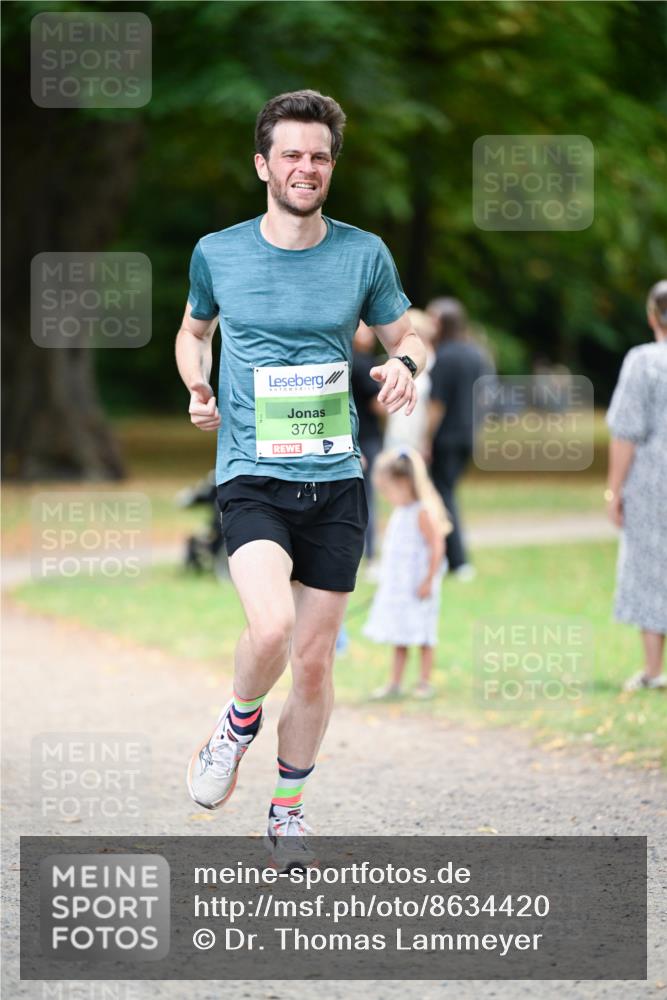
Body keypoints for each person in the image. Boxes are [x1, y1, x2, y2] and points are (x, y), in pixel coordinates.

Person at [175, 89, 426, 868]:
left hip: (335, 479)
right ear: (263, 164)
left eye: (318, 155)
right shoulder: (218, 251)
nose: (305, 167)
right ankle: (237, 721)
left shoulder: (362, 252)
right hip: (250, 472)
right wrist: (197, 385)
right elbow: (193, 332)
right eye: (290, 153)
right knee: (273, 630)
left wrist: (404, 362)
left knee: (315, 660)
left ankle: (287, 812)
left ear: (331, 166)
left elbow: (405, 329)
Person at [606, 279, 667, 692]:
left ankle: (652, 669)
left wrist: (614, 489)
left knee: (649, 567)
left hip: (653, 479)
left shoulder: (644, 361)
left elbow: (626, 430)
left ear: (652, 316)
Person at [363, 447, 451, 700]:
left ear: (404, 483)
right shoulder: (401, 512)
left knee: (423, 633)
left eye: (387, 490)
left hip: (419, 586)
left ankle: (424, 681)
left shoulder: (422, 512)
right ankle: (395, 682)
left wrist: (428, 580)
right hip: (401, 587)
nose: (386, 497)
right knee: (400, 633)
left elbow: (437, 546)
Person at [427, 297, 494, 580]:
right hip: (469, 434)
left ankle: (456, 560)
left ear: (442, 323)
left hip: (445, 437)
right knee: (446, 493)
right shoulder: (476, 354)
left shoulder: (445, 356)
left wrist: (425, 439)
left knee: (443, 496)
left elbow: (436, 405)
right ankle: (447, 558)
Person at [383, 308, 438, 458]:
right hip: (397, 424)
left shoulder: (434, 362)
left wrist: (427, 438)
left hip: (419, 425)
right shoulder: (397, 359)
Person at [351, 320, 383, 561]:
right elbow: (378, 404)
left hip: (348, 438)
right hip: (366, 438)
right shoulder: (362, 364)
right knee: (367, 499)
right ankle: (370, 553)